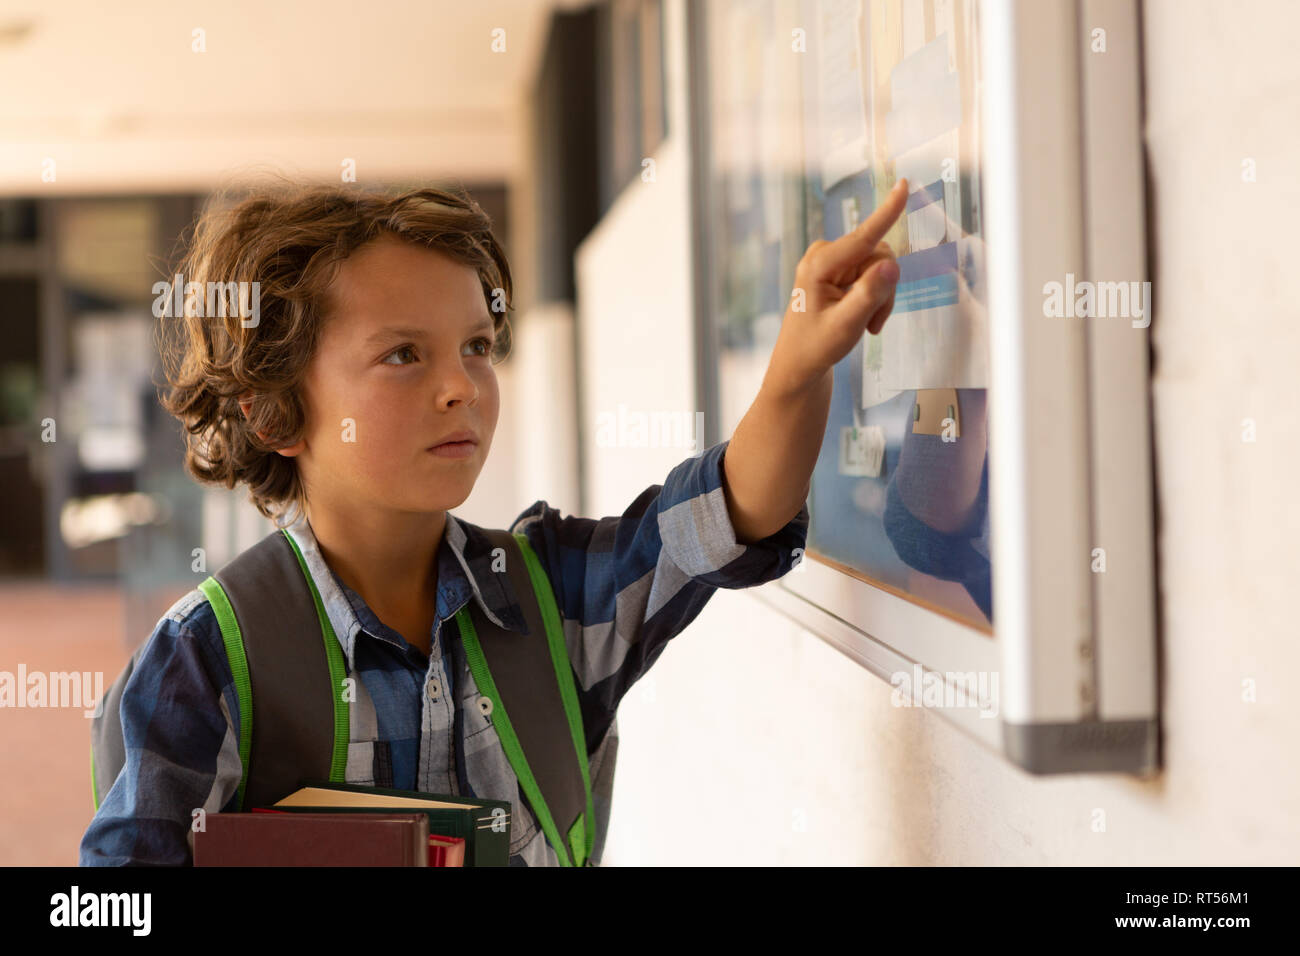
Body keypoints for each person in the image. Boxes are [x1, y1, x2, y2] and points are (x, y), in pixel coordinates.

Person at [80, 175, 908, 865]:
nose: (461, 387)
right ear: (275, 416)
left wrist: (799, 369)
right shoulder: (204, 661)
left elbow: (730, 514)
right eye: (404, 355)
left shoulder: (553, 596)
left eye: (477, 346)